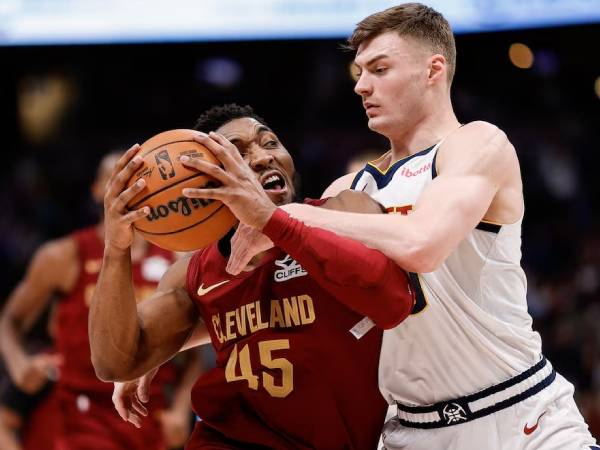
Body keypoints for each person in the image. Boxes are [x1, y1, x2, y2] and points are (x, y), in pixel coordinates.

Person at [224, 3, 599, 450]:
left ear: (433, 69)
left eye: (379, 69)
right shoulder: (349, 187)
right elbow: (281, 294)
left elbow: (422, 243)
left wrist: (283, 217)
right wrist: (162, 345)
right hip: (410, 431)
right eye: (359, 71)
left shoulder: (477, 143)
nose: (362, 86)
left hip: (521, 418)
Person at [88, 104, 416, 449]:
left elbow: (392, 301)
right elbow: (115, 363)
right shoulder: (195, 270)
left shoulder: (343, 211)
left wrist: (271, 222)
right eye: (239, 153)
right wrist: (116, 248)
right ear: (202, 183)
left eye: (270, 143)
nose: (262, 158)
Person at [0, 152, 201, 450]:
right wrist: (18, 367)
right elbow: (10, 320)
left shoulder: (176, 258)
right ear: (97, 191)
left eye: (137, 181)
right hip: (83, 413)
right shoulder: (63, 255)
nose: (128, 189)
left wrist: (182, 408)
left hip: (148, 415)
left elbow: (193, 347)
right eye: (116, 180)